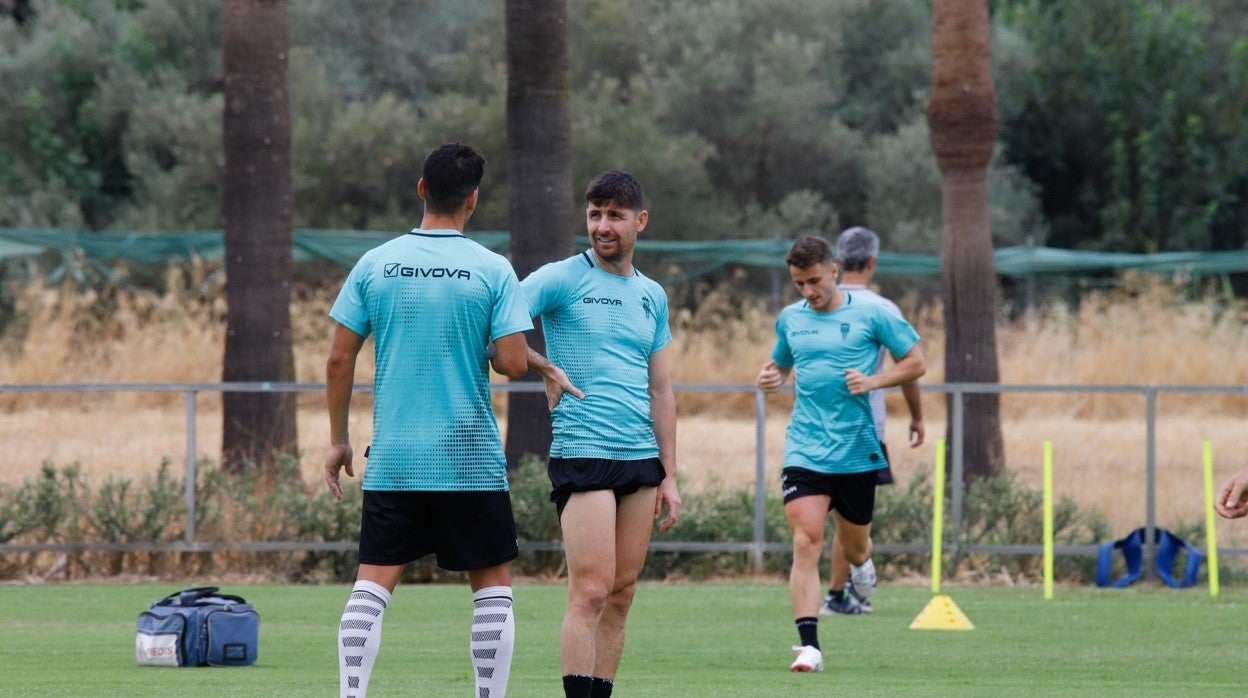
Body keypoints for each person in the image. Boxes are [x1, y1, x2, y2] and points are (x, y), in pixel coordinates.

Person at [323, 142, 533, 698]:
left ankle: (351, 694)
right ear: (473, 200)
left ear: (421, 189)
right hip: (469, 460)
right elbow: (514, 362)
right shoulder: (492, 268)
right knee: (491, 590)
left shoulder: (375, 264)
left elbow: (338, 358)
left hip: (395, 458)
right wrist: (482, 345)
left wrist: (338, 440)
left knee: (371, 586)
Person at [520, 170, 682, 698]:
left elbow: (661, 390)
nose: (602, 226)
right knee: (589, 591)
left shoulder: (652, 295)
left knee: (622, 593)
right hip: (583, 452)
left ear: (640, 221)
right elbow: (492, 328)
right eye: (594, 215)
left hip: (640, 460)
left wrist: (670, 475)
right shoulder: (561, 278)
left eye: (614, 215)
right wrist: (544, 365)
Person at [756, 234, 926, 672]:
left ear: (834, 271)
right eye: (799, 284)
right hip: (805, 448)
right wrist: (769, 379)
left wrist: (873, 381)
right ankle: (809, 645)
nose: (808, 292)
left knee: (852, 549)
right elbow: (778, 366)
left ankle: (863, 566)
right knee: (806, 539)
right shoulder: (791, 319)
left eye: (814, 281)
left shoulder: (873, 314)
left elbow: (916, 363)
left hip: (856, 451)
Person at [821, 226, 926, 616]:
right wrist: (916, 417)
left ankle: (838, 594)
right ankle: (845, 589)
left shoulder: (820, 302)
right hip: (865, 432)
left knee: (835, 519)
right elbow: (909, 366)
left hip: (818, 432)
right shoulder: (882, 308)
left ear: (836, 261)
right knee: (853, 521)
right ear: (872, 262)